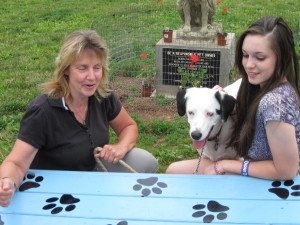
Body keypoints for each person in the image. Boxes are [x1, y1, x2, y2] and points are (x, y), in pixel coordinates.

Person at [0, 30, 158, 207]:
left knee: (146, 161)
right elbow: (16, 162)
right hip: (56, 187)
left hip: (92, 171)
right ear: (66, 69)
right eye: (82, 68)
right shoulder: (42, 111)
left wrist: (121, 147)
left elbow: (128, 126)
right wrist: (7, 182)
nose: (92, 77)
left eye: (96, 67)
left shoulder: (102, 95)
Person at [167, 16, 300, 180]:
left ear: (283, 57)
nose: (249, 64)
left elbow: (286, 171)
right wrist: (217, 102)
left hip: (264, 181)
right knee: (173, 171)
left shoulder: (275, 104)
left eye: (260, 57)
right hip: (252, 168)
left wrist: (226, 165)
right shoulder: (260, 86)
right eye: (245, 55)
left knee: (185, 178)